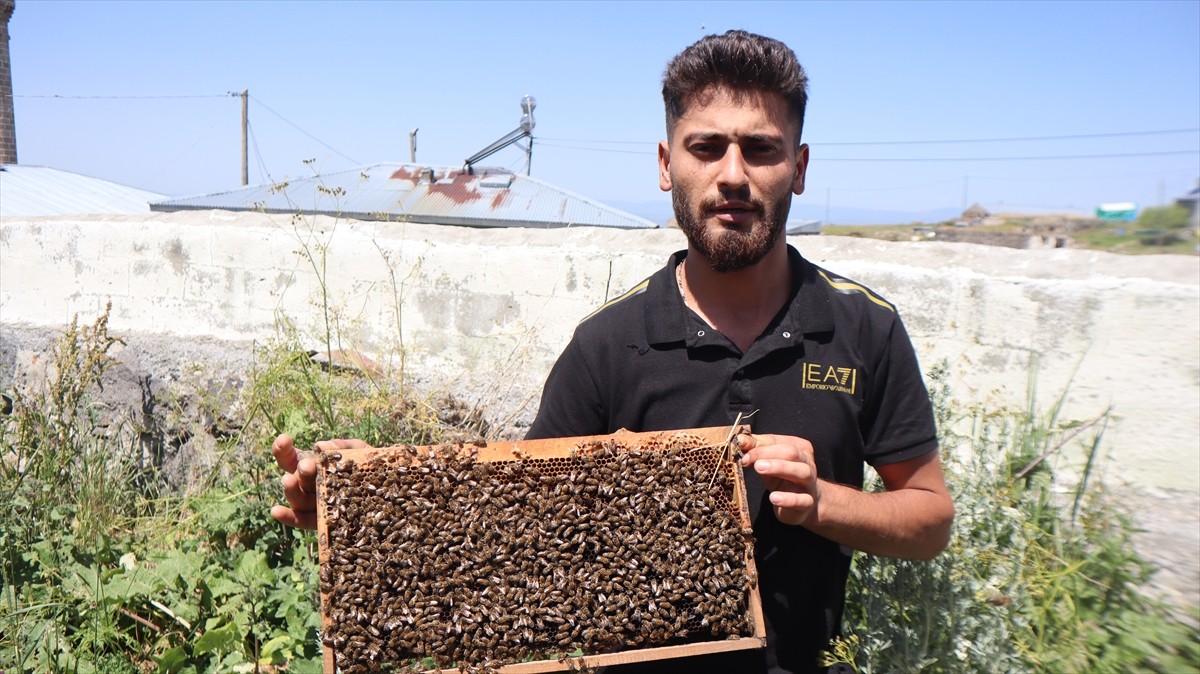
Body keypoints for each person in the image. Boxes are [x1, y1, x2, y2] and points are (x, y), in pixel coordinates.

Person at [272, 30, 954, 674]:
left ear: (798, 168)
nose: (733, 175)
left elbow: (929, 519)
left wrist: (824, 503)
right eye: (706, 146)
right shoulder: (605, 345)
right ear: (666, 165)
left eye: (762, 149)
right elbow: (514, 529)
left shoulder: (865, 329)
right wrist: (377, 499)